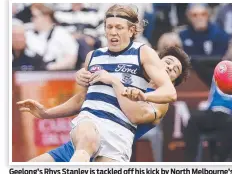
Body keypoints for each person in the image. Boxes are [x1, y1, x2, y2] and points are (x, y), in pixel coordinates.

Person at [17, 4, 178, 162]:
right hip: (90, 122)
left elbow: (169, 93)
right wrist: (46, 113)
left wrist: (141, 94)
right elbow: (82, 98)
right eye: (109, 27)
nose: (112, 32)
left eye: (119, 27)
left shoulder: (143, 52)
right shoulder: (93, 56)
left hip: (117, 137)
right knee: (80, 143)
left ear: (131, 30)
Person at [17, 46, 191, 162]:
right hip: (79, 145)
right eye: (168, 62)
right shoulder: (130, 73)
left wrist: (115, 82)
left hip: (111, 151)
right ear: (155, 62)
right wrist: (46, 113)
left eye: (175, 70)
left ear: (173, 82)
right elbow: (82, 99)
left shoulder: (161, 101)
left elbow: (136, 115)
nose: (169, 68)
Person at [183, 74, 232, 162]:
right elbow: (197, 63)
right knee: (193, 119)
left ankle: (220, 161)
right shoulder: (220, 74)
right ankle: (189, 163)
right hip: (214, 112)